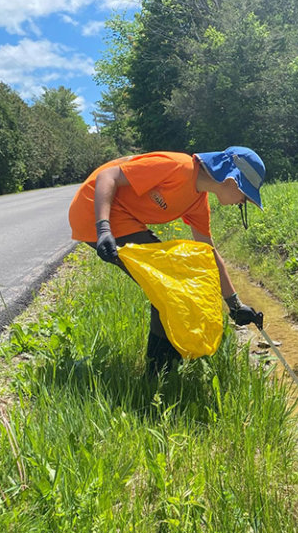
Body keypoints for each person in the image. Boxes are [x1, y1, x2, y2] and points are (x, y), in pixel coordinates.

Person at [68, 146, 265, 374]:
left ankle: (164, 368)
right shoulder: (178, 167)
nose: (241, 203)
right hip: (95, 212)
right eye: (245, 197)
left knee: (174, 288)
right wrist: (103, 228)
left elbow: (208, 253)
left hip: (124, 220)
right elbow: (107, 176)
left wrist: (234, 304)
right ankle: (159, 373)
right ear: (232, 180)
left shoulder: (198, 203)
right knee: (171, 290)